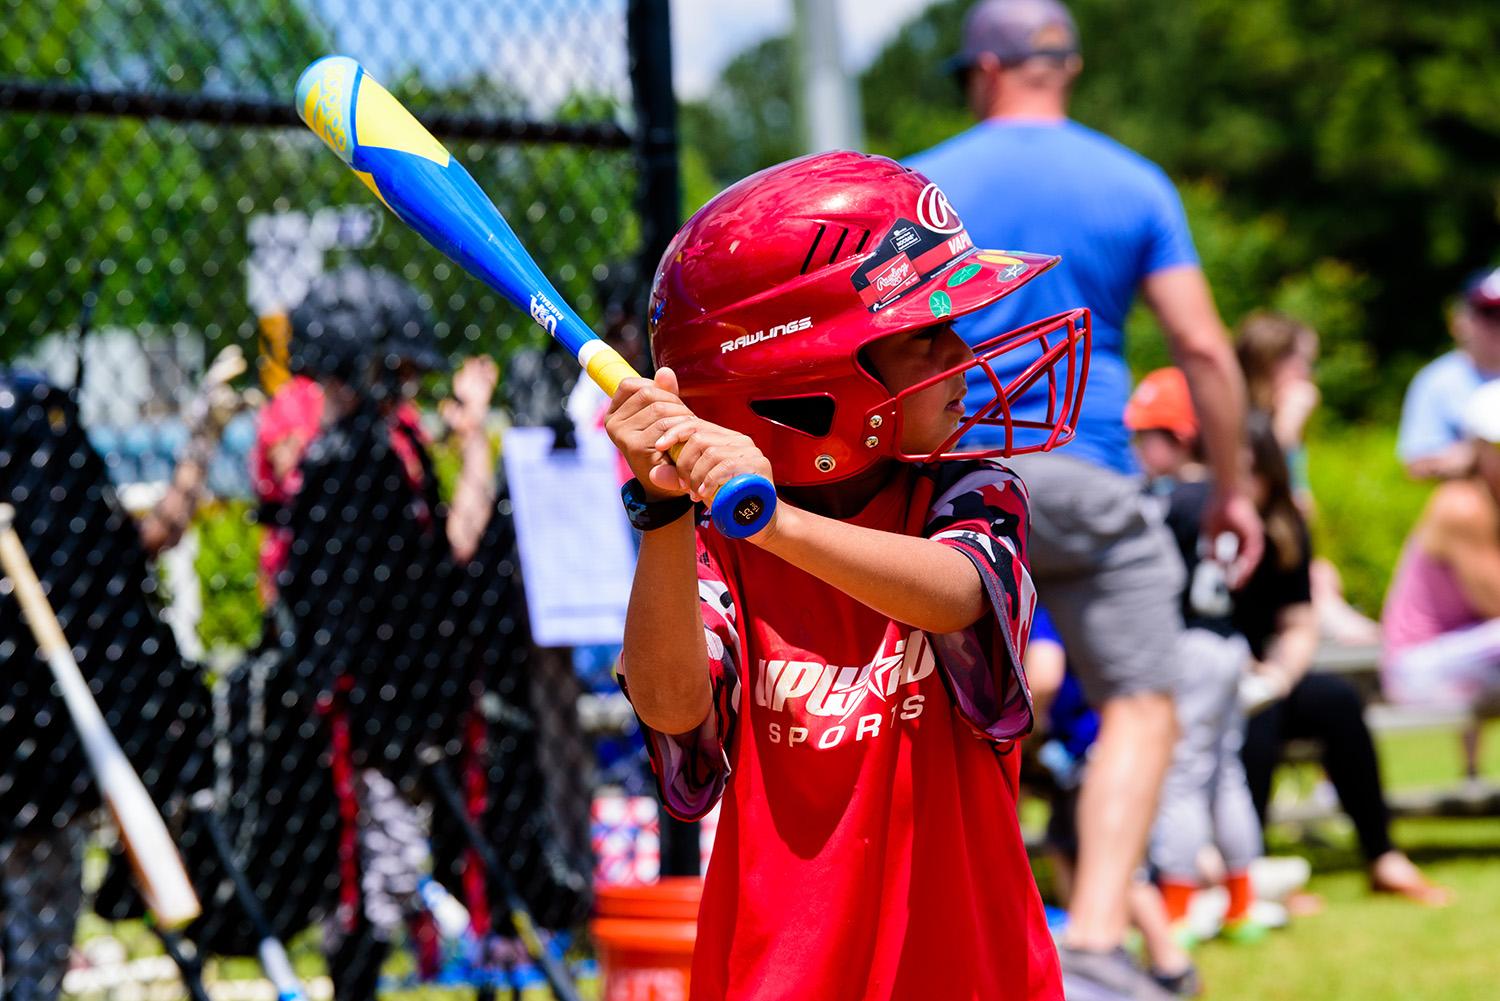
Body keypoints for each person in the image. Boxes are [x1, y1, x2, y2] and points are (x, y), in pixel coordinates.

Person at [607, 151, 1087, 999]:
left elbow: (955, 593)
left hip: (971, 971)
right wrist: (667, 512)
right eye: (923, 336)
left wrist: (776, 522)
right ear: (810, 382)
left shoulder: (969, 492)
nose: (965, 355)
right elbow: (674, 706)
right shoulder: (715, 547)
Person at [908, 2, 1261, 993]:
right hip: (1094, 480)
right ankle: (1099, 942)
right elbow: (1203, 348)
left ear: (984, 69)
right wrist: (1230, 491)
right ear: (1064, 67)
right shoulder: (1134, 182)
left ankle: (939, 935)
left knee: (929, 712)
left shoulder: (927, 186)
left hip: (953, 483)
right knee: (1142, 702)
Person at [1224, 414, 1450, 906]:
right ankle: (1252, 873)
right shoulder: (1199, 523)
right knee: (1256, 724)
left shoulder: (1285, 533)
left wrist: (1279, 676)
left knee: (1338, 703)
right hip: (1208, 671)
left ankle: (1382, 854)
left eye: (1250, 473)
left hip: (1269, 670)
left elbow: (1299, 624)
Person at [1126, 369, 1268, 946]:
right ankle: (1241, 903)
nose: (1137, 450)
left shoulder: (1166, 500)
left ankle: (1177, 912)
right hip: (1228, 642)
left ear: (1179, 435)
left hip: (1185, 643)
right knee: (1225, 772)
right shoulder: (1224, 496)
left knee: (1180, 775)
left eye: (1145, 436)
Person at [1234, 313, 1382, 644]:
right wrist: (1287, 427)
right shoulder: (1240, 418)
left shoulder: (1278, 419)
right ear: (1273, 362)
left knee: (1322, 574)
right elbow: (1256, 488)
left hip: (1279, 547)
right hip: (1242, 545)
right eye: (1302, 362)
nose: (1307, 374)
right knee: (1318, 576)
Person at [1382, 380, 1500, 778]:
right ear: (1477, 447)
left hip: (1468, 655)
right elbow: (1494, 601)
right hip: (1419, 667)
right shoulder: (1462, 506)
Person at [1397, 267, 1500, 480]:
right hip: (1476, 496)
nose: (1498, 325)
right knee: (1458, 506)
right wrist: (1476, 453)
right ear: (1460, 320)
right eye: (1490, 313)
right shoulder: (1437, 381)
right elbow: (1417, 465)